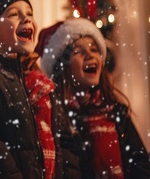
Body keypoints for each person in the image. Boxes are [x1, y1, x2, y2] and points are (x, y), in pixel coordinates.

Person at [0, 0, 80, 178]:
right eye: (14, 14)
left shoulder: (42, 84)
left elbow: (65, 142)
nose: (27, 19)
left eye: (30, 13)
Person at [36, 18, 150, 178]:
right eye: (78, 51)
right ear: (62, 68)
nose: (89, 55)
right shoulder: (56, 119)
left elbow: (141, 164)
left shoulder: (115, 111)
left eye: (94, 49)